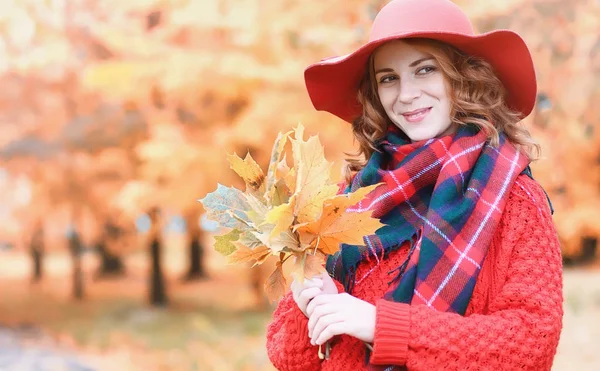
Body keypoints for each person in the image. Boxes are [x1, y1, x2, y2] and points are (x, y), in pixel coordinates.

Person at [265, 0, 563, 370]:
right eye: (388, 78)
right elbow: (289, 358)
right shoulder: (350, 197)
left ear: (464, 76)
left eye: (425, 70)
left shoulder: (515, 199)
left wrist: (382, 327)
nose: (406, 94)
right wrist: (311, 302)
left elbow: (531, 345)